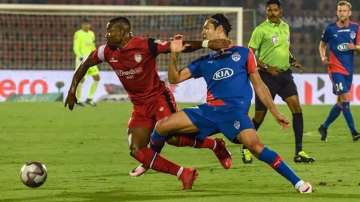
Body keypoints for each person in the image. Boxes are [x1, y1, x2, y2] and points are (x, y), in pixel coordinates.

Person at [147, 13, 312, 193]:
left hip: (235, 113)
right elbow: (175, 78)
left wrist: (275, 112)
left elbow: (259, 85)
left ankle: (298, 182)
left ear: (219, 30)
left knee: (255, 147)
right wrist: (174, 56)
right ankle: (149, 161)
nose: (203, 32)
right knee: (162, 128)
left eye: (206, 28)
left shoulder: (243, 53)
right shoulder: (204, 61)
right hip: (208, 111)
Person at [65, 16, 232, 178]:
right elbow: (85, 63)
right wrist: (72, 90)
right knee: (136, 149)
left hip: (159, 98)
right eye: (107, 31)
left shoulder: (145, 45)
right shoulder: (106, 51)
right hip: (139, 107)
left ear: (124, 32)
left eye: (111, 31)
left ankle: (215, 145)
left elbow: (175, 45)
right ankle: (183, 173)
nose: (106, 34)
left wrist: (207, 43)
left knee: (172, 138)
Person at [242, 0, 315, 164]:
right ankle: (246, 147)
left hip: (285, 76)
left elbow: (284, 48)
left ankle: (299, 151)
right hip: (266, 78)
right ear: (266, 12)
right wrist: (267, 67)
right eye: (270, 10)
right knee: (259, 116)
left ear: (280, 11)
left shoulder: (285, 27)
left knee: (297, 109)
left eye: (275, 10)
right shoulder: (260, 30)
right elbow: (250, 54)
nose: (273, 13)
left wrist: (292, 59)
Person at [318, 0, 360, 142]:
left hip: (348, 70)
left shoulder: (356, 28)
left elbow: (359, 48)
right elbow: (322, 44)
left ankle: (324, 126)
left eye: (344, 10)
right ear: (337, 12)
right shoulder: (330, 29)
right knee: (346, 99)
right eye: (339, 10)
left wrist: (354, 47)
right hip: (335, 69)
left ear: (349, 13)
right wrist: (323, 56)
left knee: (341, 103)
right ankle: (354, 132)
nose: (341, 13)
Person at [73, 18, 100, 106]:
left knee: (97, 78)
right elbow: (75, 47)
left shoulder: (92, 34)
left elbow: (93, 46)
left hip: (91, 59)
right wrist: (80, 56)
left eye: (88, 24)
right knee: (81, 79)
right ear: (82, 25)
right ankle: (78, 100)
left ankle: (89, 98)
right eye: (85, 24)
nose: (87, 26)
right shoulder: (78, 34)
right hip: (82, 59)